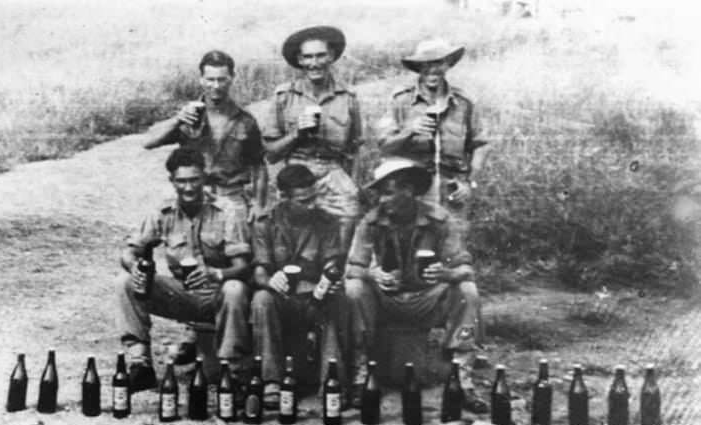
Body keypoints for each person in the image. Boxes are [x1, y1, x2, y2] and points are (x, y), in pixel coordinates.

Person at [143, 50, 267, 364]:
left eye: (221, 79)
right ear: (201, 79)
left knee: (236, 259)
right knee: (187, 253)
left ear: (231, 79)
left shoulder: (245, 120)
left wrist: (261, 204)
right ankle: (193, 332)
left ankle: (235, 334)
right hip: (196, 192)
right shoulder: (189, 116)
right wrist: (176, 120)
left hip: (231, 194)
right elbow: (149, 141)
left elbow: (258, 165)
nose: (215, 86)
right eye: (209, 79)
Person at [344, 157, 488, 412]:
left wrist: (447, 274)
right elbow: (352, 267)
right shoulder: (370, 222)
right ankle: (360, 375)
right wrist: (373, 274)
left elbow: (465, 268)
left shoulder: (439, 220)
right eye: (379, 194)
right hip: (386, 300)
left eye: (388, 193)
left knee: (467, 291)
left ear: (408, 191)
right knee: (354, 289)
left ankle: (462, 380)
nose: (382, 200)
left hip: (427, 299)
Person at [115, 147, 251, 391]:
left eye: (194, 180)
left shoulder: (227, 210)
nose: (188, 188)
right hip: (183, 296)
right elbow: (130, 250)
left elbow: (243, 266)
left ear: (204, 178)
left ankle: (232, 371)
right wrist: (135, 267)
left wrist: (216, 273)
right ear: (172, 181)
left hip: (218, 296)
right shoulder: (163, 211)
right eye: (182, 181)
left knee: (235, 288)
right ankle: (140, 362)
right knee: (124, 281)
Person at [249, 164, 346, 408]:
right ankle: (271, 382)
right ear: (283, 197)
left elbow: (333, 262)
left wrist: (329, 279)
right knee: (262, 299)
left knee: (334, 301)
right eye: (304, 200)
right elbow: (259, 268)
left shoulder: (327, 222)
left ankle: (332, 383)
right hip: (281, 300)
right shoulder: (265, 223)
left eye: (314, 197)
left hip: (314, 298)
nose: (312, 205)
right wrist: (269, 280)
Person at [261, 25, 363, 254]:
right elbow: (271, 152)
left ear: (332, 56)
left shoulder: (348, 97)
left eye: (320, 55)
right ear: (299, 60)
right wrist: (296, 133)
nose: (314, 63)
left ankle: (337, 272)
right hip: (295, 169)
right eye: (307, 57)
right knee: (288, 227)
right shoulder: (284, 96)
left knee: (350, 212)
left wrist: (353, 185)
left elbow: (355, 149)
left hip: (332, 171)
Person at [377, 38, 488, 222]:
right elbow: (384, 145)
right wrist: (409, 131)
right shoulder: (401, 101)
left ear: (448, 65)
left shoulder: (463, 103)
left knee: (452, 245)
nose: (432, 70)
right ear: (418, 67)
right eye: (425, 64)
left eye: (438, 63)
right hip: (413, 187)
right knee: (414, 243)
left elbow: (481, 144)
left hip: (452, 187)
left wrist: (468, 182)